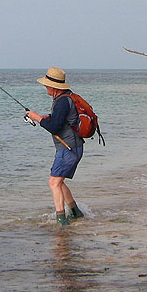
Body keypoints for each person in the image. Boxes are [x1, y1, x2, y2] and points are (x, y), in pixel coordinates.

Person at [25, 67, 85, 226]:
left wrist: (37, 118)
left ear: (54, 87)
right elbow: (62, 119)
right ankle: (76, 213)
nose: (45, 87)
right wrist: (48, 117)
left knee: (53, 182)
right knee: (59, 181)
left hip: (68, 148)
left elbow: (55, 128)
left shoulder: (62, 102)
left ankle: (62, 221)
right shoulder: (66, 98)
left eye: (46, 85)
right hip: (72, 147)